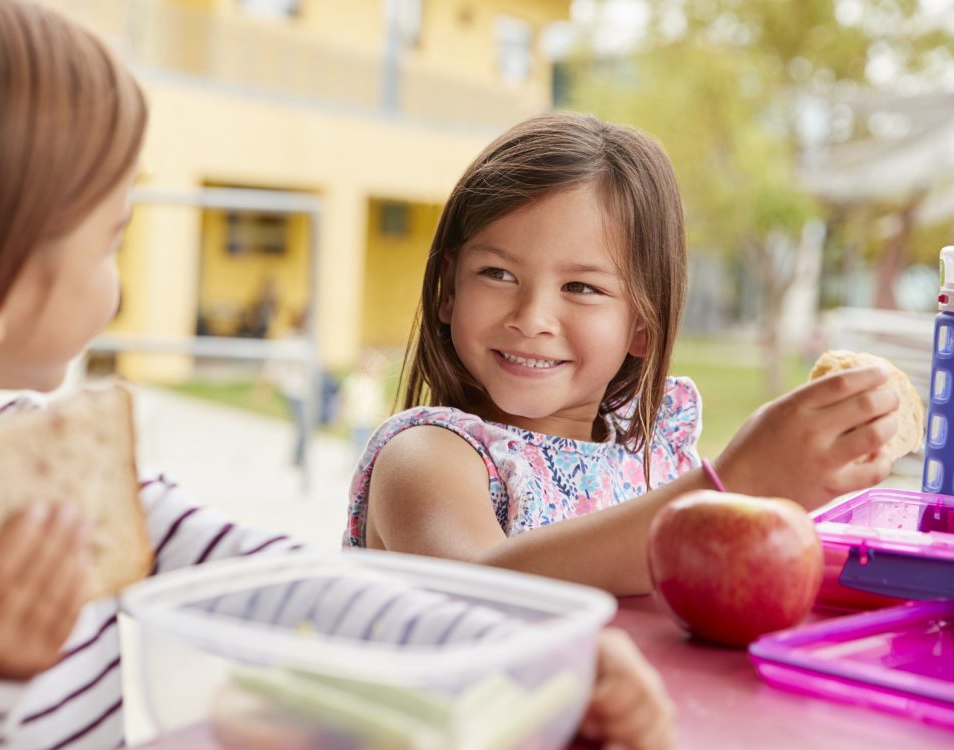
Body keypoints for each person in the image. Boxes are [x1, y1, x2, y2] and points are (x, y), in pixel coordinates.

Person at [0, 4, 673, 747]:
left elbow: (299, 592)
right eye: (113, 234)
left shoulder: (49, 462)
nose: (121, 266)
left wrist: (543, 664)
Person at [344, 113, 900, 596]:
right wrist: (730, 488)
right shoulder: (426, 457)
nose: (531, 318)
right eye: (498, 273)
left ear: (642, 326)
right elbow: (483, 589)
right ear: (448, 290)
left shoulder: (655, 460)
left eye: (581, 288)